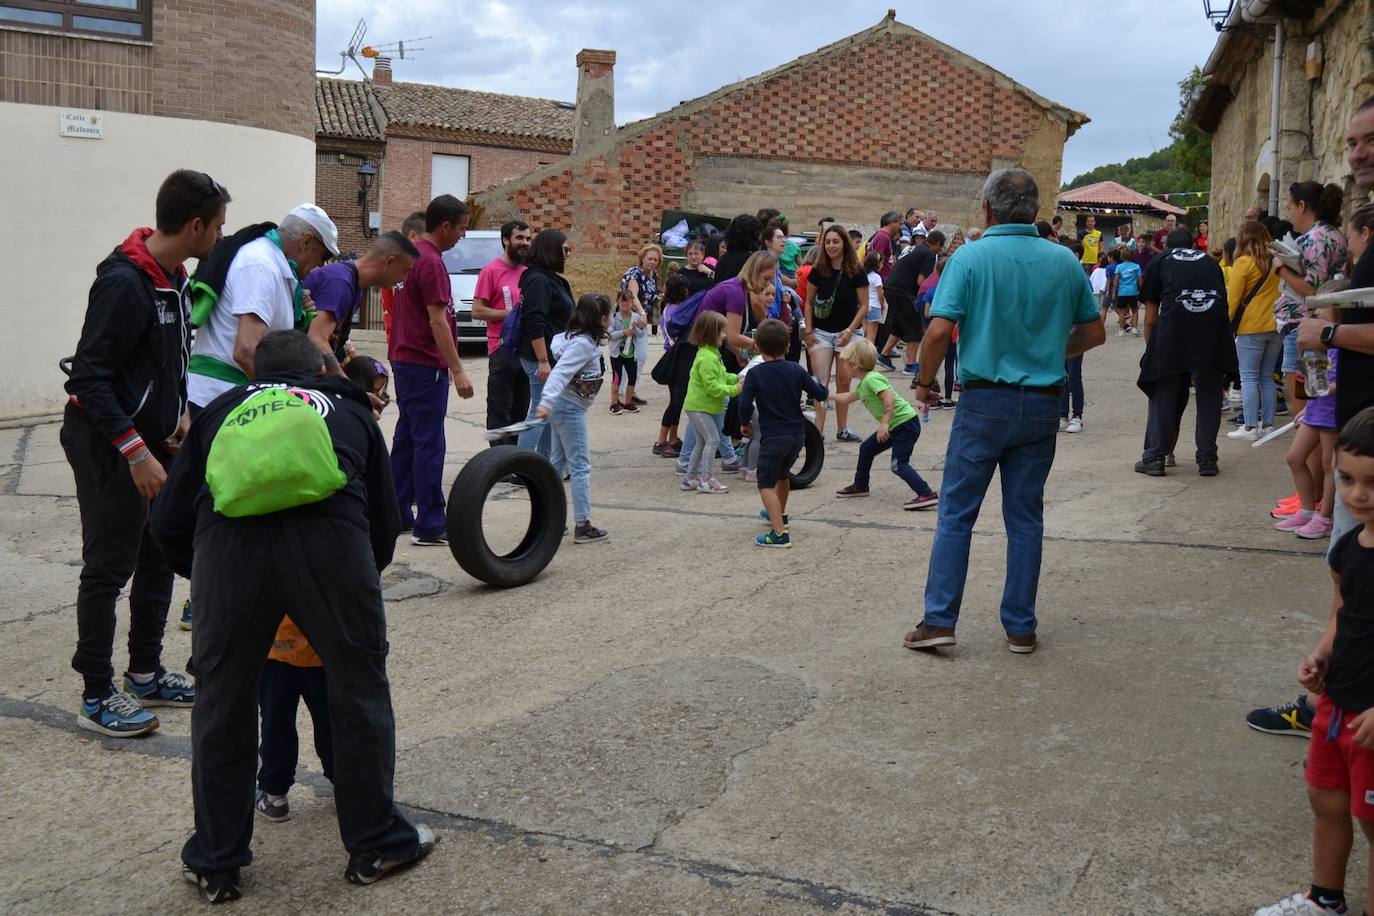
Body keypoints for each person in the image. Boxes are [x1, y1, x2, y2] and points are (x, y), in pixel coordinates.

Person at [153, 331, 432, 903]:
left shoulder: (221, 411)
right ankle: (378, 842)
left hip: (230, 550)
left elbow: (170, 522)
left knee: (222, 702)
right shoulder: (348, 407)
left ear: (255, 374)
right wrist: (353, 587)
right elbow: (384, 518)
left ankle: (216, 861)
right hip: (332, 543)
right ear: (321, 368)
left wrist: (206, 576)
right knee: (359, 690)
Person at [905, 168, 1105, 654]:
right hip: (1041, 403)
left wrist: (925, 383)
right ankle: (1020, 625)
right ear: (1036, 211)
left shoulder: (970, 257)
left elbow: (936, 333)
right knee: (1025, 517)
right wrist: (1050, 354)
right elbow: (1094, 332)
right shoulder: (1063, 260)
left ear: (987, 210)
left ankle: (940, 619)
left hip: (984, 401)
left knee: (956, 513)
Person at [61, 170, 227, 736]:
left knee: (158, 554)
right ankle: (96, 691)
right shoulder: (124, 283)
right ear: (196, 224)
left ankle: (146, 670)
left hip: (155, 441)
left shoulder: (176, 278)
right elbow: (89, 379)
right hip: (107, 443)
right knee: (110, 565)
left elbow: (167, 361)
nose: (219, 239)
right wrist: (135, 451)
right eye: (218, 228)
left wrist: (177, 414)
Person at [1247, 99, 1374, 739]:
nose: (1358, 153)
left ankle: (1335, 704)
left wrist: (1327, 330)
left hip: (1355, 407)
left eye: (1369, 140)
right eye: (1353, 141)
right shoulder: (1341, 238)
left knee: (1352, 572)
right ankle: (1335, 696)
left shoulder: (1317, 243)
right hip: (1353, 403)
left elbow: (1321, 304)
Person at [1251, 408, 1374, 916]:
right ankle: (1325, 899)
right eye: (1346, 479)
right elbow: (1342, 614)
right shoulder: (1348, 545)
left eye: (1372, 482)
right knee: (1326, 800)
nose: (1357, 494)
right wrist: (1320, 656)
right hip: (1337, 703)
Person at [188, 203, 338, 412]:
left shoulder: (273, 264)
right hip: (218, 399)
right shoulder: (262, 265)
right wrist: (282, 405)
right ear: (306, 241)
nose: (322, 266)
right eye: (323, 256)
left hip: (226, 398)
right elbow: (246, 350)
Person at [388, 194, 475, 546]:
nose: (462, 236)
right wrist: (458, 369)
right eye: (461, 229)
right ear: (445, 226)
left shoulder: (413, 257)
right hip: (425, 364)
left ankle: (396, 513)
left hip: (405, 359)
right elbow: (437, 321)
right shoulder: (433, 263)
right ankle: (430, 523)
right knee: (428, 444)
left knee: (407, 440)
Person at [1133, 227, 1238, 477]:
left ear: (1167, 245)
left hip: (1174, 331)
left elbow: (1149, 318)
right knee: (1209, 392)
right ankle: (1207, 458)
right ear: (1193, 245)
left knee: (1164, 388)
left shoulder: (1160, 261)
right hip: (1212, 331)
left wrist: (1152, 352)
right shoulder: (1212, 263)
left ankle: (1155, 457)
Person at [738, 319, 830, 548]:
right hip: (797, 435)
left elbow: (744, 404)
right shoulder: (795, 369)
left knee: (765, 483)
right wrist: (821, 380)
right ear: (788, 346)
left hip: (773, 437)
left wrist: (744, 424)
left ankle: (779, 534)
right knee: (782, 474)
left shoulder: (755, 374)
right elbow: (819, 393)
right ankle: (780, 514)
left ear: (757, 347)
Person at [535, 293, 614, 543]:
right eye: (610, 315)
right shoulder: (582, 345)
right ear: (601, 318)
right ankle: (583, 524)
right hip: (569, 408)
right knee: (580, 466)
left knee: (557, 464)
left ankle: (548, 521)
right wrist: (545, 401)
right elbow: (560, 373)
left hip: (562, 406)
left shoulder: (574, 338)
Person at [831, 338, 939, 510]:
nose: (843, 367)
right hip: (896, 426)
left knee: (898, 465)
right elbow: (847, 398)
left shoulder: (871, 379)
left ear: (855, 364)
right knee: (866, 448)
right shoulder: (864, 383)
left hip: (905, 425)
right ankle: (860, 486)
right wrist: (826, 395)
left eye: (845, 363)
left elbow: (889, 398)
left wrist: (884, 424)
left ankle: (926, 493)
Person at [1275, 182, 1348, 418]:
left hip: (1303, 324)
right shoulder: (1337, 236)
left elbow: (1312, 289)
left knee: (1305, 408)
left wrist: (1281, 270)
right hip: (1325, 322)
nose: (1290, 213)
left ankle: (1310, 456)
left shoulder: (1313, 238)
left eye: (1290, 207)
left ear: (1302, 206)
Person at [253, 613, 331, 824]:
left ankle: (274, 794)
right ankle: (347, 784)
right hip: (324, 645)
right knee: (331, 721)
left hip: (276, 646)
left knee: (276, 722)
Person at [304, 232, 418, 374]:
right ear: (390, 262)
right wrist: (349, 388)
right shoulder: (340, 282)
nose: (405, 279)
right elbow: (317, 339)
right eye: (405, 271)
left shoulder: (355, 285)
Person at [804, 225, 869, 441]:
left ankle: (842, 428)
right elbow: (809, 302)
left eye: (835, 241)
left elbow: (864, 305)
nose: (831, 246)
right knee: (820, 382)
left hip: (847, 332)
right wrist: (809, 331)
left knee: (844, 381)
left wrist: (850, 331)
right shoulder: (818, 269)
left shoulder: (856, 271)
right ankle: (818, 431)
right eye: (828, 242)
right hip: (821, 332)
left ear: (844, 244)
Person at [516, 229, 576, 459]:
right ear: (552, 249)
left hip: (549, 357)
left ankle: (545, 464)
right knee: (540, 411)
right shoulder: (538, 279)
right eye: (565, 249)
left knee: (547, 411)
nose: (568, 254)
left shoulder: (549, 278)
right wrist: (542, 360)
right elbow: (534, 321)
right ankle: (520, 465)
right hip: (538, 357)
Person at [472, 220, 534, 445]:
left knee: (521, 409)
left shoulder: (528, 272)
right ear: (506, 240)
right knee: (500, 409)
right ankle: (498, 461)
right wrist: (510, 315)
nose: (524, 243)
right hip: (501, 349)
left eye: (528, 238)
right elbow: (477, 311)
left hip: (526, 351)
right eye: (519, 238)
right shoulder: (491, 271)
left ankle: (515, 459)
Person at [1227, 220, 1283, 441]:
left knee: (1249, 377)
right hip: (1274, 325)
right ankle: (1268, 424)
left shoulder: (1243, 263)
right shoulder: (1277, 263)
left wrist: (1224, 324)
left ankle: (1250, 427)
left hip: (1251, 327)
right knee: (1266, 377)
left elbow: (1234, 299)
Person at [681, 310, 740, 494]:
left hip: (701, 407)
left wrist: (736, 378)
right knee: (712, 440)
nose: (725, 336)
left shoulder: (711, 354)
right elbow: (712, 387)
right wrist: (735, 390)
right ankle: (706, 479)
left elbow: (721, 376)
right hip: (700, 407)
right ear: (712, 333)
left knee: (701, 442)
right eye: (722, 331)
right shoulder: (707, 357)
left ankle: (690, 478)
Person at [880, 230, 944, 373]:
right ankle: (910, 364)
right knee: (915, 326)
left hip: (891, 287)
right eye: (941, 247)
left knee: (899, 325)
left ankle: (883, 355)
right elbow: (921, 281)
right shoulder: (929, 253)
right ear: (938, 244)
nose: (940, 251)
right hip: (903, 290)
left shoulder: (914, 247)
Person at [653, 274, 692, 458]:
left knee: (678, 399)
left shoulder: (671, 308)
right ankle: (661, 441)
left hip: (674, 356)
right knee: (676, 401)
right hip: (677, 358)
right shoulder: (676, 312)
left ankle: (673, 438)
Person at [380, 211, 425, 341]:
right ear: (413, 236)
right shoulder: (400, 264)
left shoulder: (397, 261)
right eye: (427, 238)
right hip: (405, 343)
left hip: (401, 342)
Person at [608, 289, 644, 414]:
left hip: (631, 352)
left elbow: (640, 334)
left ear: (632, 302)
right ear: (618, 302)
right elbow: (609, 335)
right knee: (617, 378)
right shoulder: (613, 317)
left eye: (628, 301)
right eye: (623, 301)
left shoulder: (636, 316)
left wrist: (636, 329)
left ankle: (628, 403)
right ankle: (614, 403)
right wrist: (623, 332)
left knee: (632, 377)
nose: (626, 304)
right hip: (617, 353)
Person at [621, 242, 662, 346]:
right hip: (627, 319)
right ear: (642, 258)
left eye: (655, 260)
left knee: (640, 355)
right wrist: (642, 313)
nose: (652, 262)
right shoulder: (634, 274)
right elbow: (632, 296)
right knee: (626, 351)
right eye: (650, 259)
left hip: (641, 322)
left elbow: (652, 294)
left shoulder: (654, 275)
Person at [1113, 247, 1142, 336]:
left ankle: (1121, 330)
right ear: (1132, 256)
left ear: (1122, 256)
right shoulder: (1136, 266)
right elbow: (1140, 280)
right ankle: (1134, 329)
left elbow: (1116, 280)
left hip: (1122, 292)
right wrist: (1141, 290)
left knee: (1122, 312)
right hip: (1133, 292)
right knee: (1135, 311)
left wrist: (1114, 291)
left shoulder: (1119, 267)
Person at [862, 249, 887, 343]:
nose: (882, 265)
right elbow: (880, 294)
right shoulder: (877, 277)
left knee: (864, 331)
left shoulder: (864, 276)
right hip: (875, 306)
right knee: (872, 334)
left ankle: (860, 352)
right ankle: (868, 354)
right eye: (882, 263)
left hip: (864, 306)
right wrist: (882, 305)